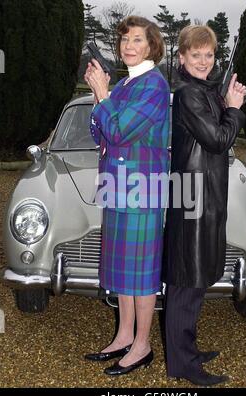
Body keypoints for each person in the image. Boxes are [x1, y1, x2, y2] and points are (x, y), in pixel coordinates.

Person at [84, 16, 170, 376]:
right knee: (123, 271)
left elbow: (118, 131)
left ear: (152, 45)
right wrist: (99, 97)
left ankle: (143, 344)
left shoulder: (154, 85)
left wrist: (103, 96)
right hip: (118, 187)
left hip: (142, 189)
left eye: (137, 39)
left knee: (142, 273)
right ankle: (123, 335)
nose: (128, 46)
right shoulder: (125, 84)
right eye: (123, 40)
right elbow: (97, 132)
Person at [162, 25, 246, 386]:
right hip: (193, 199)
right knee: (186, 282)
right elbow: (218, 139)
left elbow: (218, 124)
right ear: (181, 58)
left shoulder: (203, 90)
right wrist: (234, 109)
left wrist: (226, 97)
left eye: (209, 54)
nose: (203, 61)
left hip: (205, 197)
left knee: (196, 281)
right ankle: (182, 363)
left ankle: (188, 349)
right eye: (195, 55)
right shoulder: (186, 95)